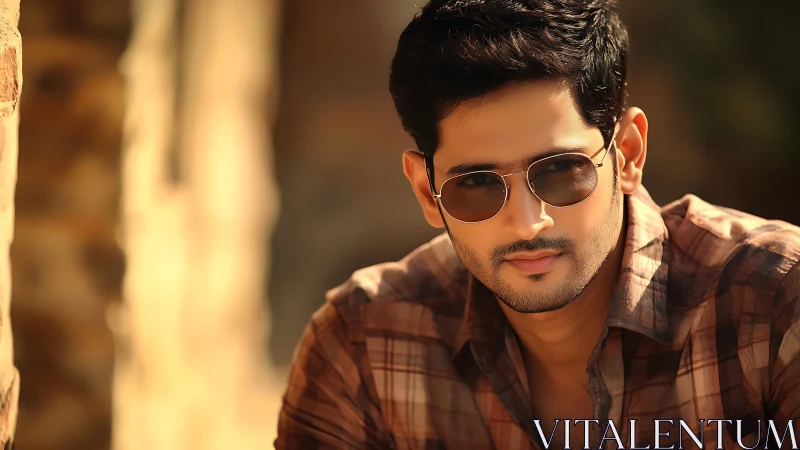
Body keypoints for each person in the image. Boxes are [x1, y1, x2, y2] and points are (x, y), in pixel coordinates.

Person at [275, 1, 800, 448]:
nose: (528, 222)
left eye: (560, 171)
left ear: (629, 154)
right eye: (477, 184)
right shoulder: (364, 346)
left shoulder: (775, 306)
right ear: (425, 191)